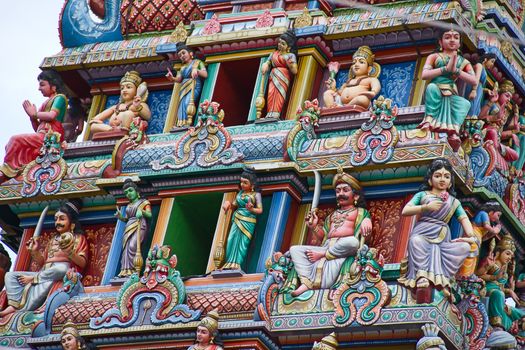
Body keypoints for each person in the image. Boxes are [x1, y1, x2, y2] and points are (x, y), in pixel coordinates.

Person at [398, 159, 476, 295]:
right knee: (415, 241)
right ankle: (421, 275)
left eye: (446, 177)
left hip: (443, 238)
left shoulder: (454, 202)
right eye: (438, 175)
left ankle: (444, 279)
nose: (442, 179)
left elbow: (464, 221)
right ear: (430, 180)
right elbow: (405, 211)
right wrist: (425, 207)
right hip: (423, 232)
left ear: (450, 182)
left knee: (464, 248)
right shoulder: (423, 195)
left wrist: (471, 237)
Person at [289, 170, 372, 296]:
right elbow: (324, 236)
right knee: (294, 250)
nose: (341, 194)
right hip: (328, 246)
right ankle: (307, 282)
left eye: (345, 190)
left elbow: (363, 237)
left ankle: (323, 254)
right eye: (338, 191)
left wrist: (367, 221)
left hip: (343, 248)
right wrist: (314, 226)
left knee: (353, 242)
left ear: (355, 196)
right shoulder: (332, 215)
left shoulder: (360, 212)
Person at [0, 200, 88, 317]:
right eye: (56, 219)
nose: (57, 222)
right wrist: (34, 251)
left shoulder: (78, 238)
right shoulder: (53, 240)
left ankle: (32, 283)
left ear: (72, 223)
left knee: (61, 268)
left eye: (62, 219)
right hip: (45, 272)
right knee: (9, 276)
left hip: (59, 271)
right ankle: (14, 305)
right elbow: (43, 262)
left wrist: (69, 252)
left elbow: (82, 263)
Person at [0, 71, 68, 184]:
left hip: (50, 137)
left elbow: (52, 115)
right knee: (9, 144)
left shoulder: (60, 98)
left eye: (42, 84)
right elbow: (38, 128)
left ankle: (6, 172)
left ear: (54, 86)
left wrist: (34, 114)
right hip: (42, 135)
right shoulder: (46, 102)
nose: (39, 88)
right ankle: (16, 170)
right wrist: (32, 118)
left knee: (14, 139)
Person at [418, 30, 477, 151]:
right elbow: (424, 75)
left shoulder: (463, 62)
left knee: (465, 103)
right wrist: (445, 69)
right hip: (436, 87)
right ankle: (429, 120)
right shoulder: (434, 57)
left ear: (459, 43)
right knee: (431, 88)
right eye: (447, 37)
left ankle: (453, 130)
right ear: (440, 42)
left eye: (456, 38)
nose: (452, 40)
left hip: (451, 92)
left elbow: (474, 81)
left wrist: (456, 71)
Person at [477, 235, 525, 331]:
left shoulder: (505, 273)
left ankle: (508, 327)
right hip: (488, 289)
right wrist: (493, 275)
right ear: (499, 252)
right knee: (499, 294)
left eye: (511, 257)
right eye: (507, 254)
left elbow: (501, 287)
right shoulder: (492, 263)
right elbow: (478, 275)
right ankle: (496, 324)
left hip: (499, 294)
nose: (509, 258)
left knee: (520, 313)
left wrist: (510, 290)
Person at [221, 169, 263, 270]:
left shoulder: (256, 195)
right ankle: (229, 262)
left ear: (252, 184)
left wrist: (251, 208)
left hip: (248, 221)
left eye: (245, 182)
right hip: (237, 218)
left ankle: (237, 264)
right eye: (241, 182)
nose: (242, 184)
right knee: (231, 239)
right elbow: (234, 204)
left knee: (242, 243)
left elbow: (260, 210)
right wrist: (228, 203)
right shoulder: (240, 193)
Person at [89, 71, 151, 135]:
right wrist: (96, 121)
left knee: (128, 113)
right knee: (93, 126)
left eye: (128, 87)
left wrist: (138, 106)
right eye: (122, 88)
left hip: (128, 131)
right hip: (112, 129)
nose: (124, 90)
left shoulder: (139, 104)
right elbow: (97, 118)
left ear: (137, 90)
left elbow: (148, 116)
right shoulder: (116, 107)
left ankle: (123, 131)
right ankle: (112, 130)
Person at [323, 45, 381, 110]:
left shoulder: (370, 79)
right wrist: (333, 89)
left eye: (361, 62)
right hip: (340, 103)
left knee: (363, 99)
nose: (356, 65)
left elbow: (376, 84)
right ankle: (332, 108)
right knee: (328, 93)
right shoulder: (349, 81)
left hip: (356, 102)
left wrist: (373, 92)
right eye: (354, 62)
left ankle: (345, 108)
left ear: (369, 68)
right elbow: (340, 93)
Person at [115, 179, 152, 277]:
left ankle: (135, 270)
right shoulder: (129, 205)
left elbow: (149, 214)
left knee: (133, 246)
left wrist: (142, 211)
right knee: (126, 248)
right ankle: (126, 271)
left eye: (130, 190)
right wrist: (121, 217)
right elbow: (128, 219)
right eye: (126, 192)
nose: (128, 194)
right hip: (129, 226)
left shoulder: (144, 202)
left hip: (139, 225)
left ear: (137, 191)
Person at [166, 45, 208, 127]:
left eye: (183, 53)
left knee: (188, 102)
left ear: (190, 53)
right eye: (180, 55)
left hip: (194, 84)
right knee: (181, 105)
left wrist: (197, 70)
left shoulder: (197, 62)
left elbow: (205, 74)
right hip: (184, 87)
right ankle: (182, 124)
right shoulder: (183, 67)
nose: (182, 56)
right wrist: (172, 78)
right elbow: (180, 79)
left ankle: (189, 122)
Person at [261, 30, 298, 119]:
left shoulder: (291, 56)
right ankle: (269, 113)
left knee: (280, 94)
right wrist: (265, 64)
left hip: (283, 76)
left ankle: (276, 113)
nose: (280, 45)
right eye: (279, 43)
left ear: (288, 47)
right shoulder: (273, 54)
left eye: (283, 44)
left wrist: (290, 64)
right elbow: (268, 62)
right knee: (271, 93)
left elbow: (295, 71)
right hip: (273, 76)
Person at [479, 80, 519, 163]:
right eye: (507, 96)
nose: (508, 99)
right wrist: (494, 117)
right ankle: (496, 158)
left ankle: (496, 153)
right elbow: (480, 117)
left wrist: (513, 132)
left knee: (515, 155)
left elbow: (500, 134)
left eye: (510, 98)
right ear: (500, 93)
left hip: (496, 141)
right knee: (493, 132)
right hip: (487, 132)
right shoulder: (492, 104)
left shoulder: (504, 112)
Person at [459, 202, 502, 276]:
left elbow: (484, 238)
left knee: (474, 258)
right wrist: (495, 230)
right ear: (491, 211)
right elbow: (486, 226)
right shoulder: (484, 214)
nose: (498, 218)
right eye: (498, 215)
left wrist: (493, 234)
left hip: (477, 239)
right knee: (469, 256)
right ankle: (463, 275)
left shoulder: (488, 221)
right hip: (472, 235)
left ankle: (468, 275)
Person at [464, 53, 496, 117]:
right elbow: (477, 79)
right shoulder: (479, 65)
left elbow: (480, 86)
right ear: (486, 59)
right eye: (492, 61)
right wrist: (473, 90)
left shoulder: (483, 69)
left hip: (477, 91)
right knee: (470, 110)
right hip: (473, 89)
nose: (492, 64)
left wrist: (486, 90)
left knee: (474, 112)